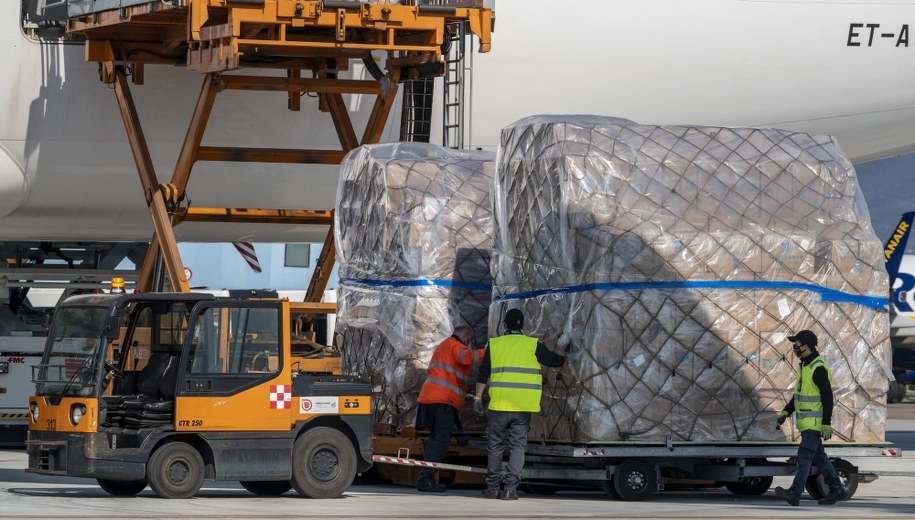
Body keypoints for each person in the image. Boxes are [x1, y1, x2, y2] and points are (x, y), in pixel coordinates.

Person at [473, 309, 567, 500]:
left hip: (499, 405)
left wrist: (477, 398)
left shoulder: (495, 344)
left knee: (496, 447)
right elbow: (553, 361)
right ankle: (510, 490)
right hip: (522, 407)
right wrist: (568, 353)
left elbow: (484, 373)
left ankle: (492, 488)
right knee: (517, 447)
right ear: (522, 326)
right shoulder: (533, 344)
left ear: (504, 325)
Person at [773, 329, 848, 506]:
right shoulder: (805, 366)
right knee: (819, 458)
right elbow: (799, 395)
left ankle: (795, 492)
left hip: (814, 424)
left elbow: (827, 396)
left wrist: (826, 423)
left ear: (806, 346)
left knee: (804, 456)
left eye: (797, 345)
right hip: (806, 422)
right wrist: (786, 411)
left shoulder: (818, 368)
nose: (795, 348)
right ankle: (837, 489)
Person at [414, 325, 483, 492]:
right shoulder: (454, 345)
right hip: (442, 400)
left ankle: (426, 477)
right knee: (441, 439)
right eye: (469, 340)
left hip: (434, 398)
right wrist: (490, 350)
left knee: (436, 438)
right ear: (466, 336)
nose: (469, 344)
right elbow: (467, 357)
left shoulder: (445, 345)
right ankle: (426, 478)